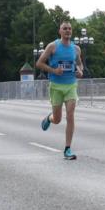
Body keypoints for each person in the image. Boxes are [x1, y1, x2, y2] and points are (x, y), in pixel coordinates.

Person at [36, 21, 84, 160]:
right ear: (60, 31)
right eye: (65, 29)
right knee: (57, 119)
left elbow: (79, 63)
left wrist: (80, 71)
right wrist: (54, 70)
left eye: (69, 29)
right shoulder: (53, 46)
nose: (68, 31)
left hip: (71, 85)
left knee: (70, 115)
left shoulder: (76, 49)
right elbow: (39, 63)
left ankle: (67, 149)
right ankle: (49, 118)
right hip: (56, 86)